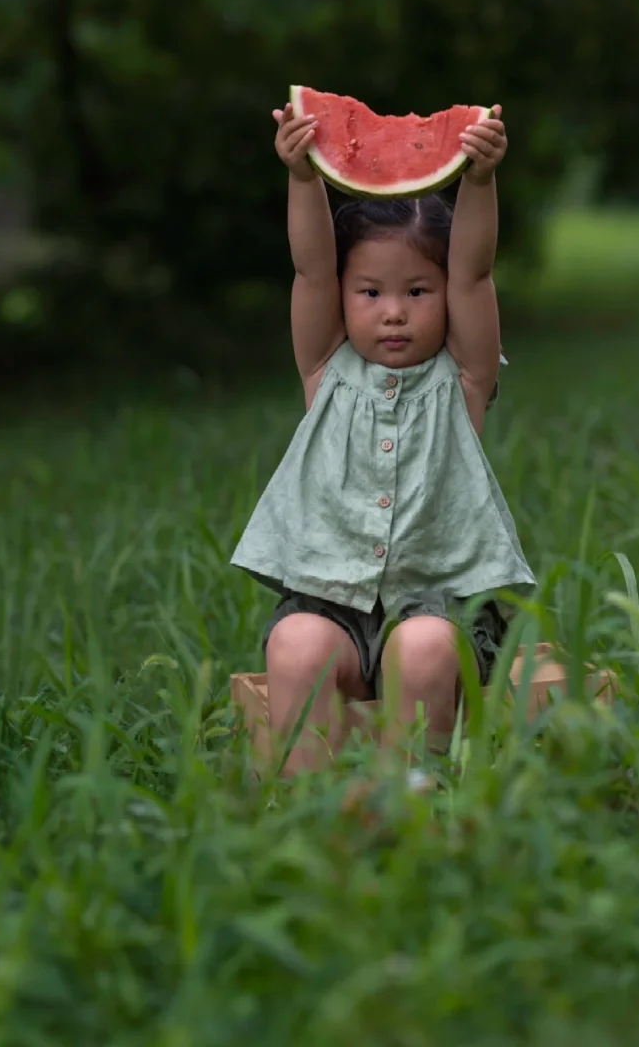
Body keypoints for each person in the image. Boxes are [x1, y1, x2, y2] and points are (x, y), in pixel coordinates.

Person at [231, 99, 536, 773]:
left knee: (423, 648)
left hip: (438, 609)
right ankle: (310, 819)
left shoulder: (463, 381)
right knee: (295, 647)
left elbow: (475, 273)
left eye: (419, 293)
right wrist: (302, 176)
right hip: (331, 602)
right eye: (370, 293)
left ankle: (409, 804)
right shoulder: (325, 370)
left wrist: (479, 182)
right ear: (343, 296)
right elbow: (311, 268)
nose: (394, 313)